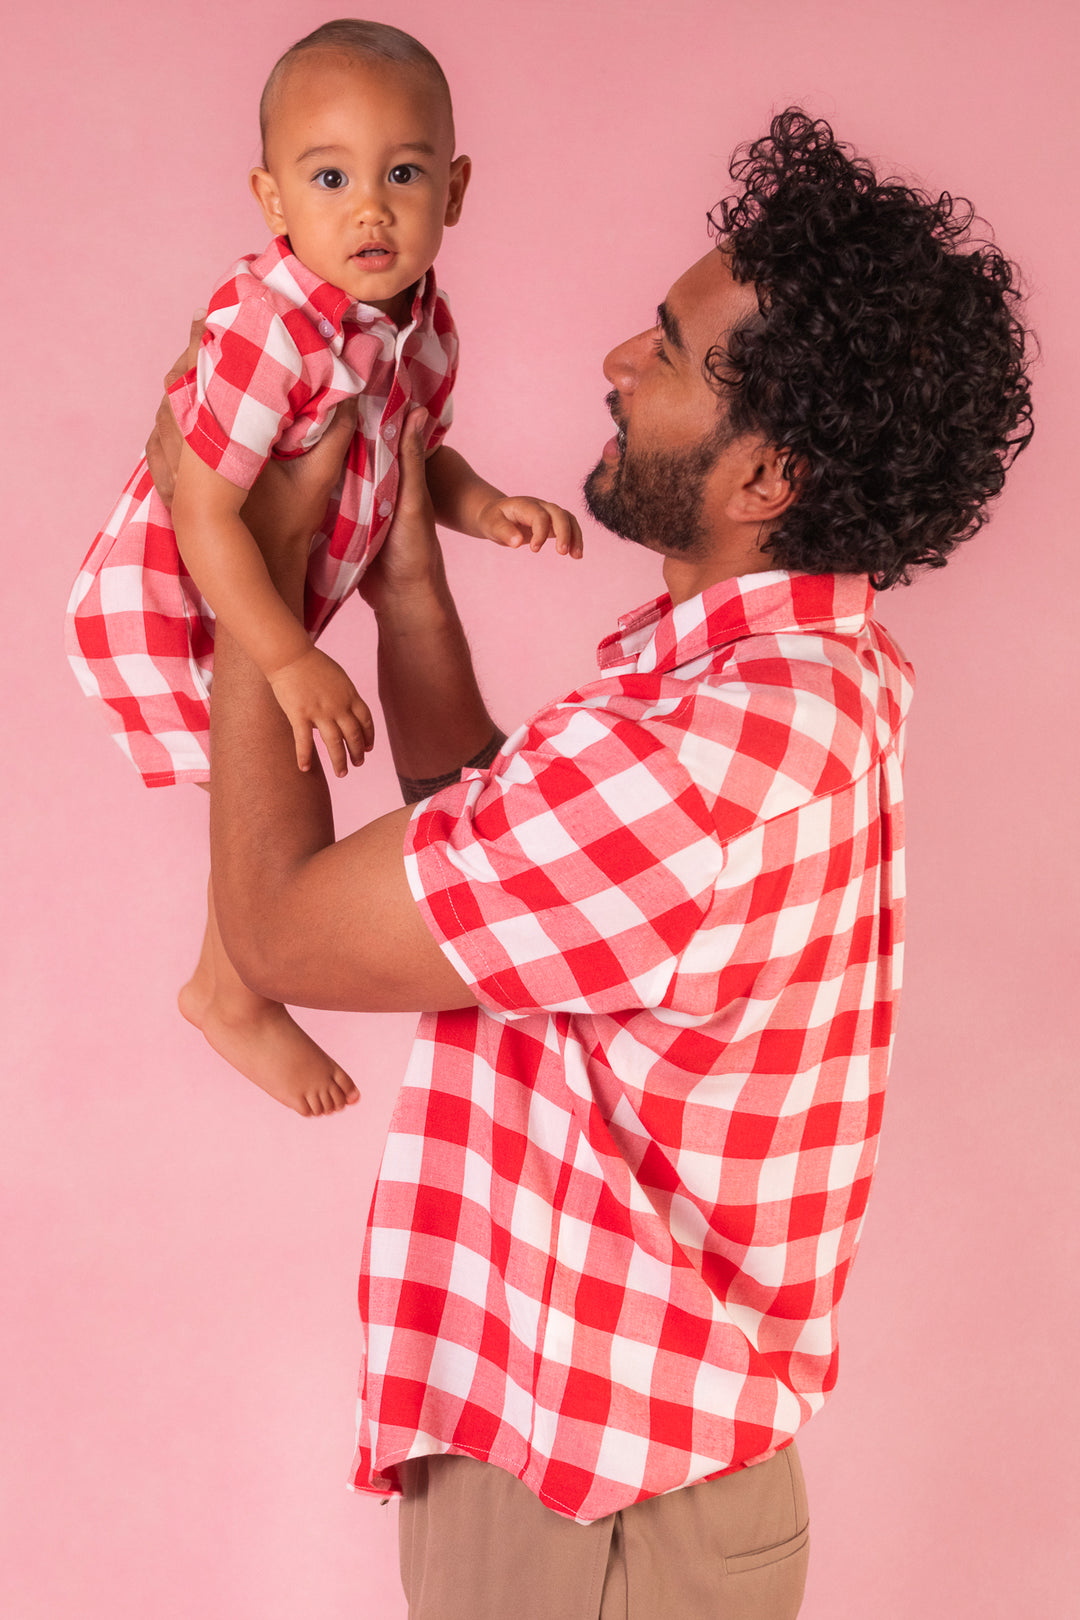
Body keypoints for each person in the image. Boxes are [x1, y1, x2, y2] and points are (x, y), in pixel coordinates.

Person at [149, 109, 1033, 1619]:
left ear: (770, 473)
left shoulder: (697, 759)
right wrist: (410, 582)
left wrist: (250, 572)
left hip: (595, 1502)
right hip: (624, 1467)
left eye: (675, 354)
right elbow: (497, 857)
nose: (622, 358)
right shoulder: (798, 677)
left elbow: (286, 936)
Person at [63, 19, 581, 1120]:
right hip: (177, 603)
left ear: (458, 187)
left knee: (271, 789)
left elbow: (415, 457)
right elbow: (204, 514)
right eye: (330, 176)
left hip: (269, 592)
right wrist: (290, 657)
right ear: (270, 199)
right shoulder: (274, 330)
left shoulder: (424, 324)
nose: (371, 209)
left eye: (404, 174)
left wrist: (487, 506)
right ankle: (231, 992)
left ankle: (224, 984)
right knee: (267, 795)